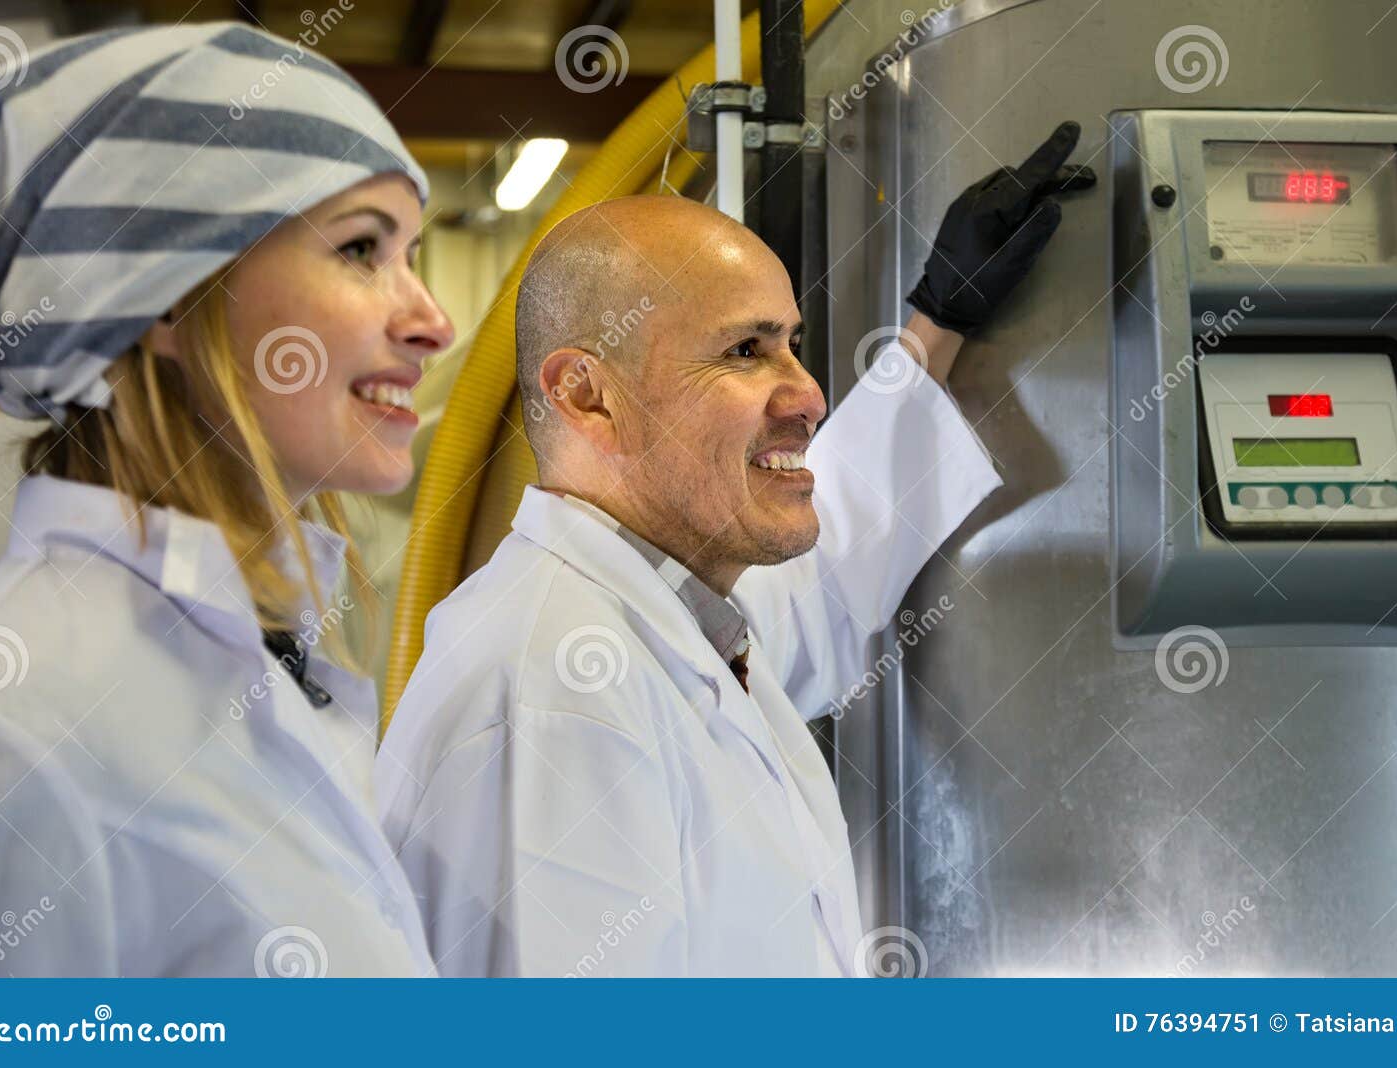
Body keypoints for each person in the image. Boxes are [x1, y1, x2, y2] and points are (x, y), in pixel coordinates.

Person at [376, 123, 1095, 975]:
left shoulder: (671, 621)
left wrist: (938, 320)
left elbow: (828, 572)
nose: (809, 393)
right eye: (745, 351)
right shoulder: (557, 687)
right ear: (587, 396)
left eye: (793, 344)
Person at [0, 22, 454, 976]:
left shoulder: (264, 662)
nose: (434, 321)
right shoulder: (8, 731)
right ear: (166, 297)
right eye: (359, 250)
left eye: (411, 253)